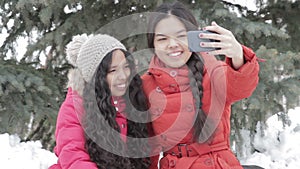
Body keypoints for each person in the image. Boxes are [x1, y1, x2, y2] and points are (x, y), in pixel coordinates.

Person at [142, 1, 261, 169]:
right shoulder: (146, 85)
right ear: (153, 44)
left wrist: (238, 54)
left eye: (181, 36)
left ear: (193, 36)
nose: (172, 44)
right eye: (162, 39)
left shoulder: (214, 71)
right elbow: (148, 146)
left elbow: (243, 88)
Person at [49, 34, 150, 169]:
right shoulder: (74, 108)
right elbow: (74, 157)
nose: (123, 76)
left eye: (126, 67)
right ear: (97, 76)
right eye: (113, 70)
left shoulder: (130, 100)